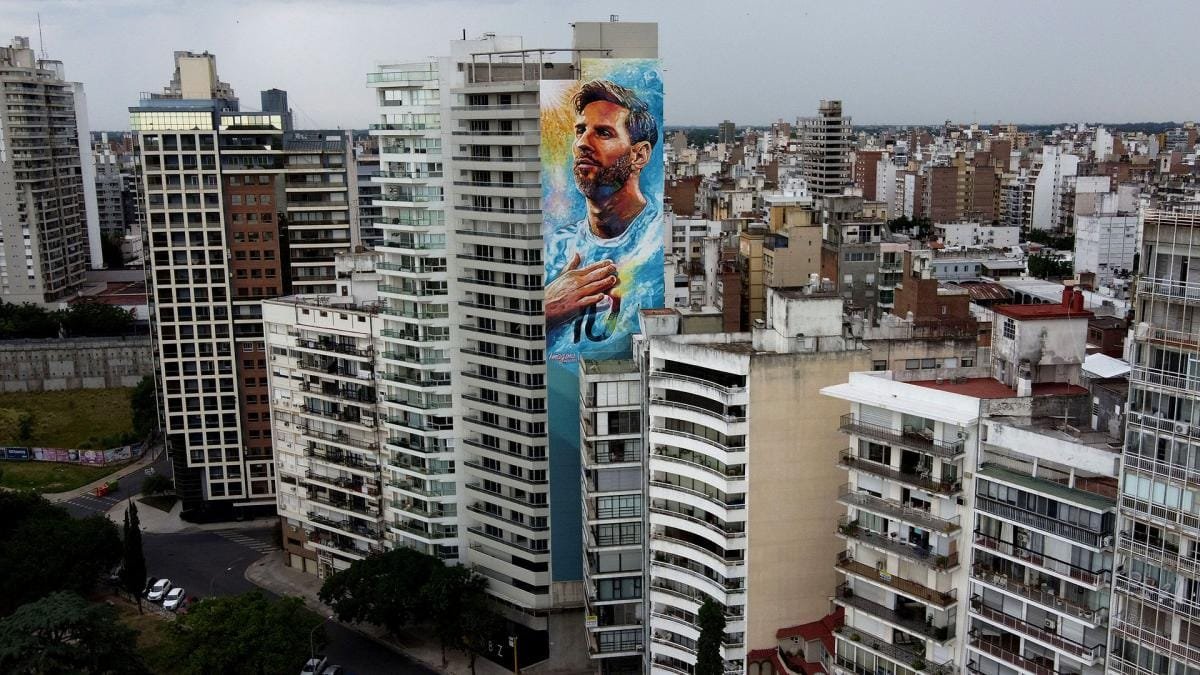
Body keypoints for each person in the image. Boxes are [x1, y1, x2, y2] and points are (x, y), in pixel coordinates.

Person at [545, 79, 663, 359]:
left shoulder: (657, 245)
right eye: (580, 131)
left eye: (604, 133)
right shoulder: (555, 246)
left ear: (639, 154)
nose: (583, 143)